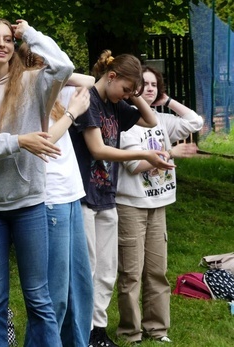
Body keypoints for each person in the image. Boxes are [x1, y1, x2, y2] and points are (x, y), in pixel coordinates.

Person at [0, 18, 74, 346]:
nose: (3, 44)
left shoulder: (34, 82)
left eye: (8, 39)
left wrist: (30, 34)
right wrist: (18, 141)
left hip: (29, 204)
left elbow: (64, 64)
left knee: (39, 297)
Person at [67, 50, 175, 347]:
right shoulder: (88, 99)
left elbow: (151, 120)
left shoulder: (116, 104)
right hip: (85, 196)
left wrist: (134, 92)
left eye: (132, 92)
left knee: (106, 270)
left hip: (107, 196)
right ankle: (82, 331)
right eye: (126, 89)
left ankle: (98, 330)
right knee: (87, 268)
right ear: (110, 76)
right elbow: (99, 149)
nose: (128, 96)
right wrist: (143, 153)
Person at [115, 65, 203, 344]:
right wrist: (170, 152)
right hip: (131, 206)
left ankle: (157, 329)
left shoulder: (163, 120)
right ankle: (131, 332)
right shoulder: (124, 120)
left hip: (158, 204)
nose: (150, 88)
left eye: (154, 84)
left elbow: (195, 122)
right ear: (133, 89)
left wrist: (168, 101)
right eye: (144, 84)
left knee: (156, 270)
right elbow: (132, 166)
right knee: (131, 272)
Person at [18, 42, 95, 346]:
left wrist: (33, 37)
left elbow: (89, 81)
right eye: (38, 61)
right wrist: (73, 114)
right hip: (48, 198)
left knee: (80, 287)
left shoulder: (58, 90)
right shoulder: (23, 93)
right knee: (54, 294)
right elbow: (45, 140)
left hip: (71, 194)